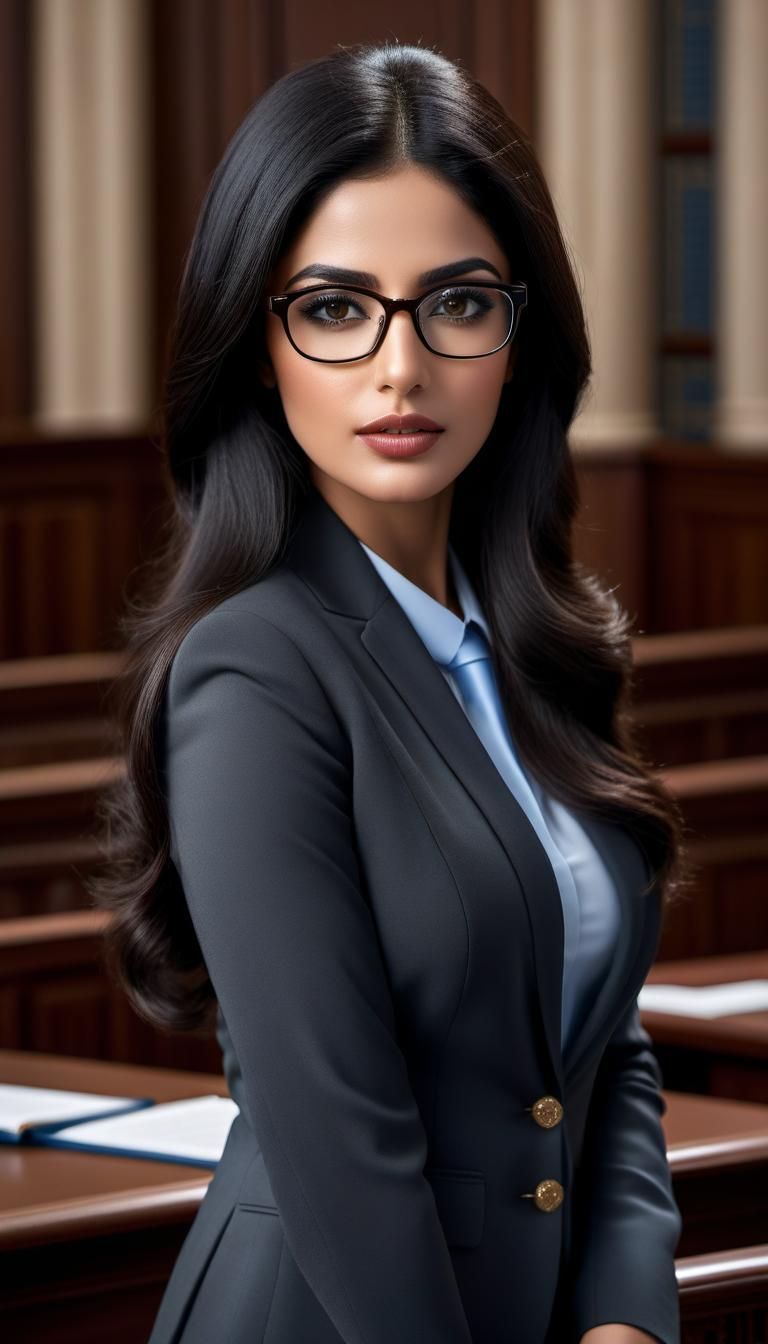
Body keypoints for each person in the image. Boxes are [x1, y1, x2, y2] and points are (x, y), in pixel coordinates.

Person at [91, 39, 689, 1344]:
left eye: (458, 303)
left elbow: (603, 1046)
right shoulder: (255, 668)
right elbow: (338, 1137)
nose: (400, 366)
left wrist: (628, 1319)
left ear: (521, 335)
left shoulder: (544, 645)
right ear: (260, 344)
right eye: (335, 306)